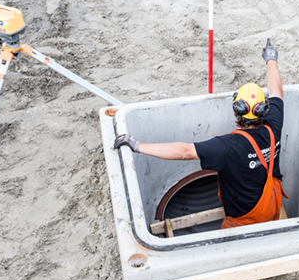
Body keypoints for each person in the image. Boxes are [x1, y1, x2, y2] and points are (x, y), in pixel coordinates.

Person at [114, 38, 286, 229]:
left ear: (235, 111)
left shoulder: (227, 147)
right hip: (271, 207)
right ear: (264, 110)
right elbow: (277, 91)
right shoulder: (274, 126)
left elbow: (184, 152)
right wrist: (271, 59)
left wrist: (137, 145)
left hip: (242, 219)